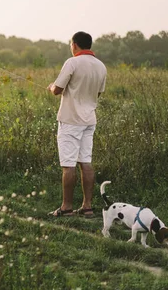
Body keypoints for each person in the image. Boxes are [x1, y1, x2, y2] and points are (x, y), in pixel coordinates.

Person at [47, 31, 107, 218]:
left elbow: (57, 90)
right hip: (90, 120)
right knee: (86, 162)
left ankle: (66, 207)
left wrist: (50, 87)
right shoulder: (101, 66)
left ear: (74, 45)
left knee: (68, 165)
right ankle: (87, 207)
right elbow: (98, 93)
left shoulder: (72, 62)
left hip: (70, 120)